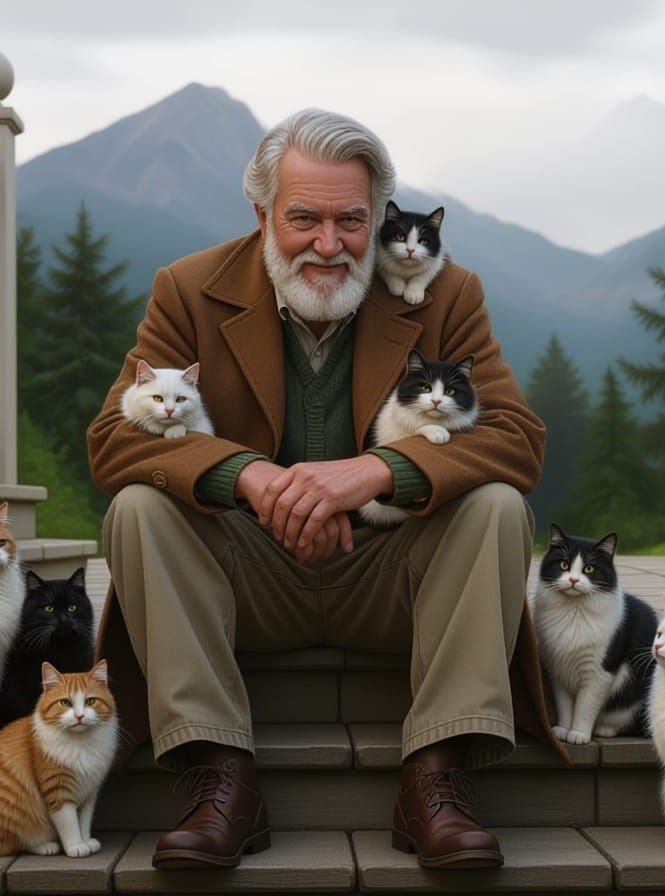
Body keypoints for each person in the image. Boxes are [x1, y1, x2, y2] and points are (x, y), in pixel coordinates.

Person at [87, 108, 560, 872]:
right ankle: (218, 776)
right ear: (262, 213)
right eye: (303, 218)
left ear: (377, 218)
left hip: (396, 580)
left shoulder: (447, 294)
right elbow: (112, 440)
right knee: (139, 506)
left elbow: (517, 438)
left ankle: (436, 776)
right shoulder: (187, 289)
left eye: (352, 220)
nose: (330, 244)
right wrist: (250, 473)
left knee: (499, 505)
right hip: (246, 579)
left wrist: (381, 471)